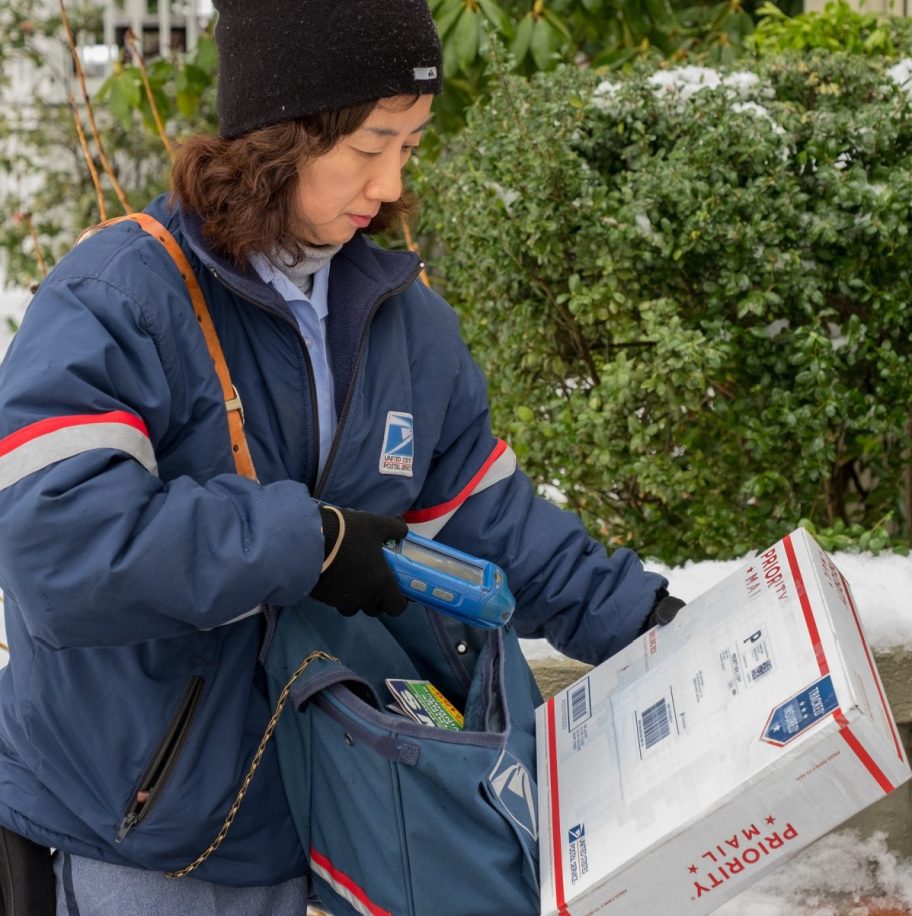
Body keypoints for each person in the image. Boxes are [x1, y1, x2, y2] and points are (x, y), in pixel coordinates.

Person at [0, 1, 683, 913]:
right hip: (137, 825)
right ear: (278, 138)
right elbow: (62, 550)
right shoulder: (119, 297)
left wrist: (649, 623)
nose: (394, 185)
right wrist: (310, 541)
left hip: (312, 811)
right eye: (370, 147)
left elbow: (491, 525)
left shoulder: (406, 323)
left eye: (410, 146)